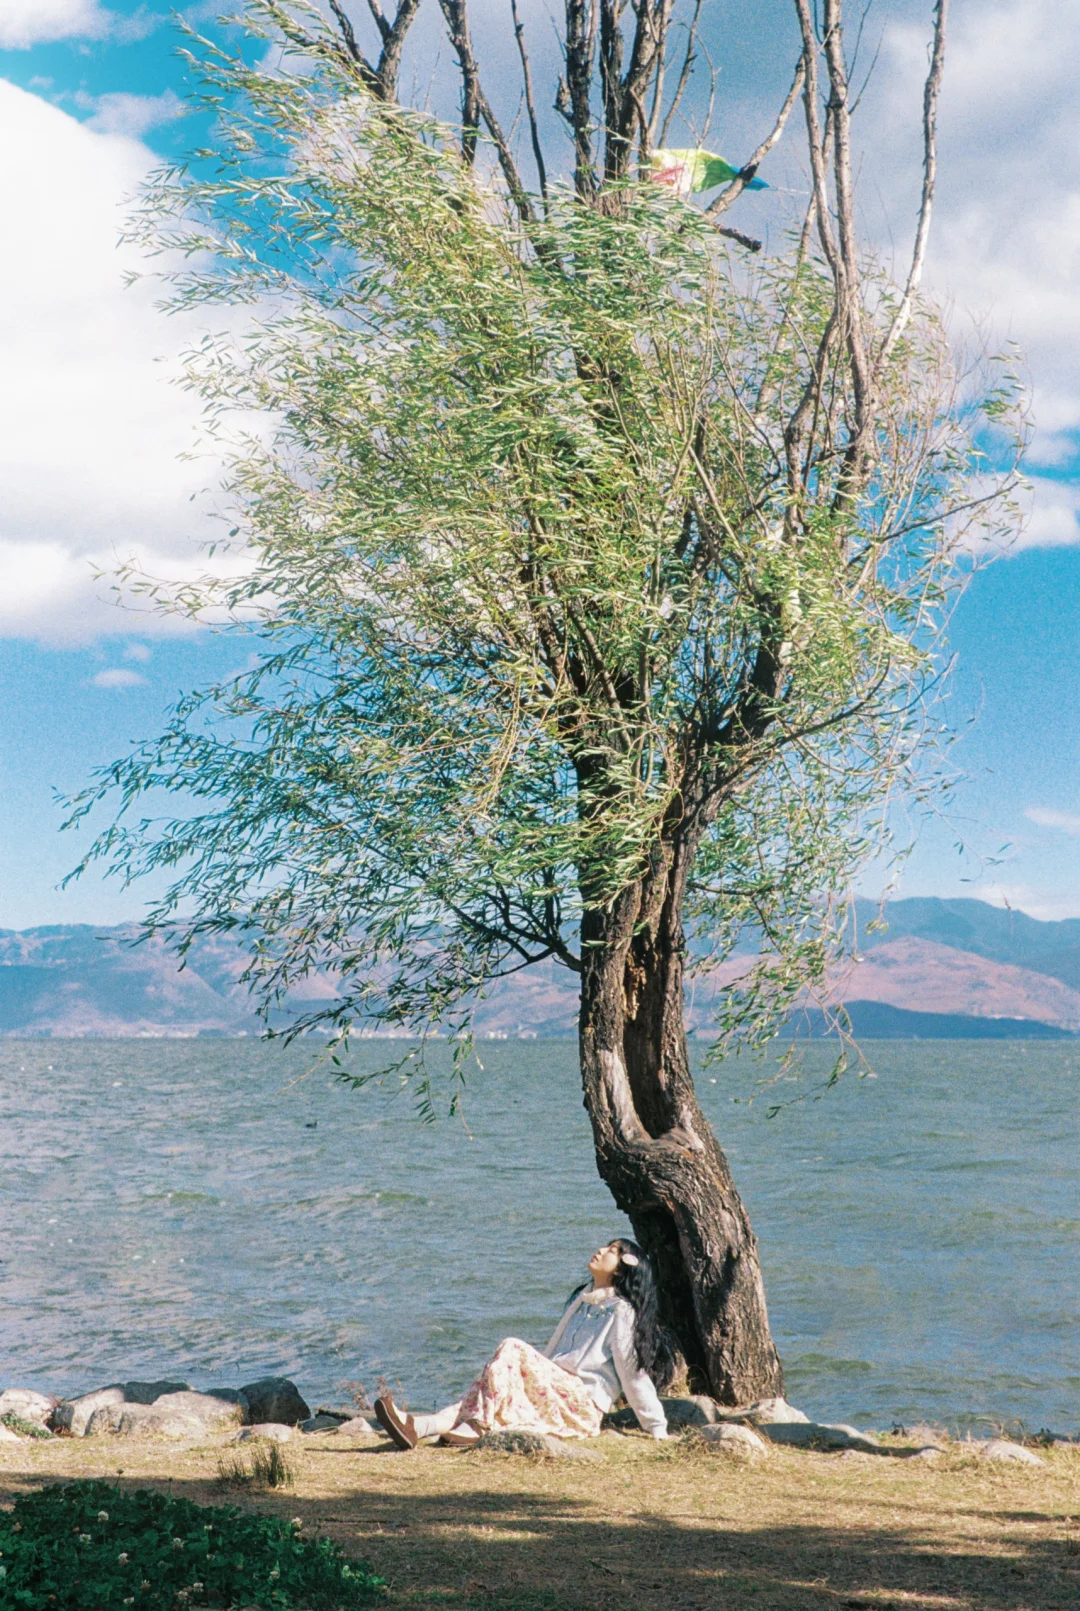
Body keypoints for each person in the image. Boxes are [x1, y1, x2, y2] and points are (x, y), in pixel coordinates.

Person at [374, 1237, 675, 1448]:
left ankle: (479, 1426)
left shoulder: (621, 1311)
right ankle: (417, 1426)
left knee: (512, 1347)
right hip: (555, 1391)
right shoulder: (582, 1301)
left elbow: (631, 1373)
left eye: (611, 1250)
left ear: (622, 1268)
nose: (600, 1250)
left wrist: (656, 1427)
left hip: (579, 1403)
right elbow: (550, 1355)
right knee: (486, 1387)